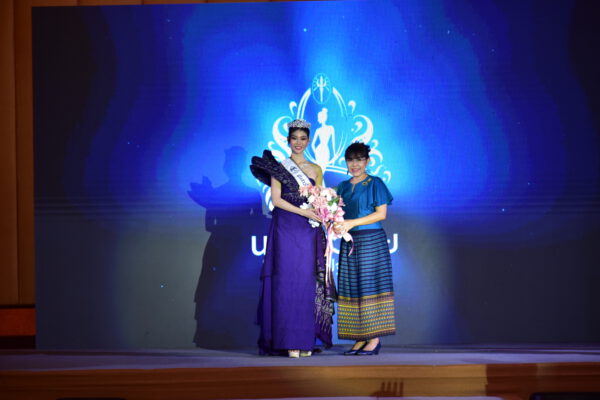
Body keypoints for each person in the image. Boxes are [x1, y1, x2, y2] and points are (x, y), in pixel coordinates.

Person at [250, 119, 335, 358]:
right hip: (286, 227)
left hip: (308, 230)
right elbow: (276, 200)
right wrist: (304, 212)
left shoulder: (316, 169)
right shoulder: (279, 167)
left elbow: (320, 199)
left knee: (306, 281)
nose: (298, 143)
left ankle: (304, 339)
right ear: (288, 141)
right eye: (294, 138)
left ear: (308, 141)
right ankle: (288, 341)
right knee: (285, 281)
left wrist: (327, 213)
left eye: (303, 139)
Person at [334, 142, 395, 355]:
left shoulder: (375, 183)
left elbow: (381, 214)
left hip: (371, 240)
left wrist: (351, 223)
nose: (355, 164)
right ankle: (360, 336)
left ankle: (374, 339)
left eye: (359, 160)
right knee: (351, 286)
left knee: (370, 286)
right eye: (351, 160)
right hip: (349, 241)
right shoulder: (342, 186)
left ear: (367, 161)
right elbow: (334, 213)